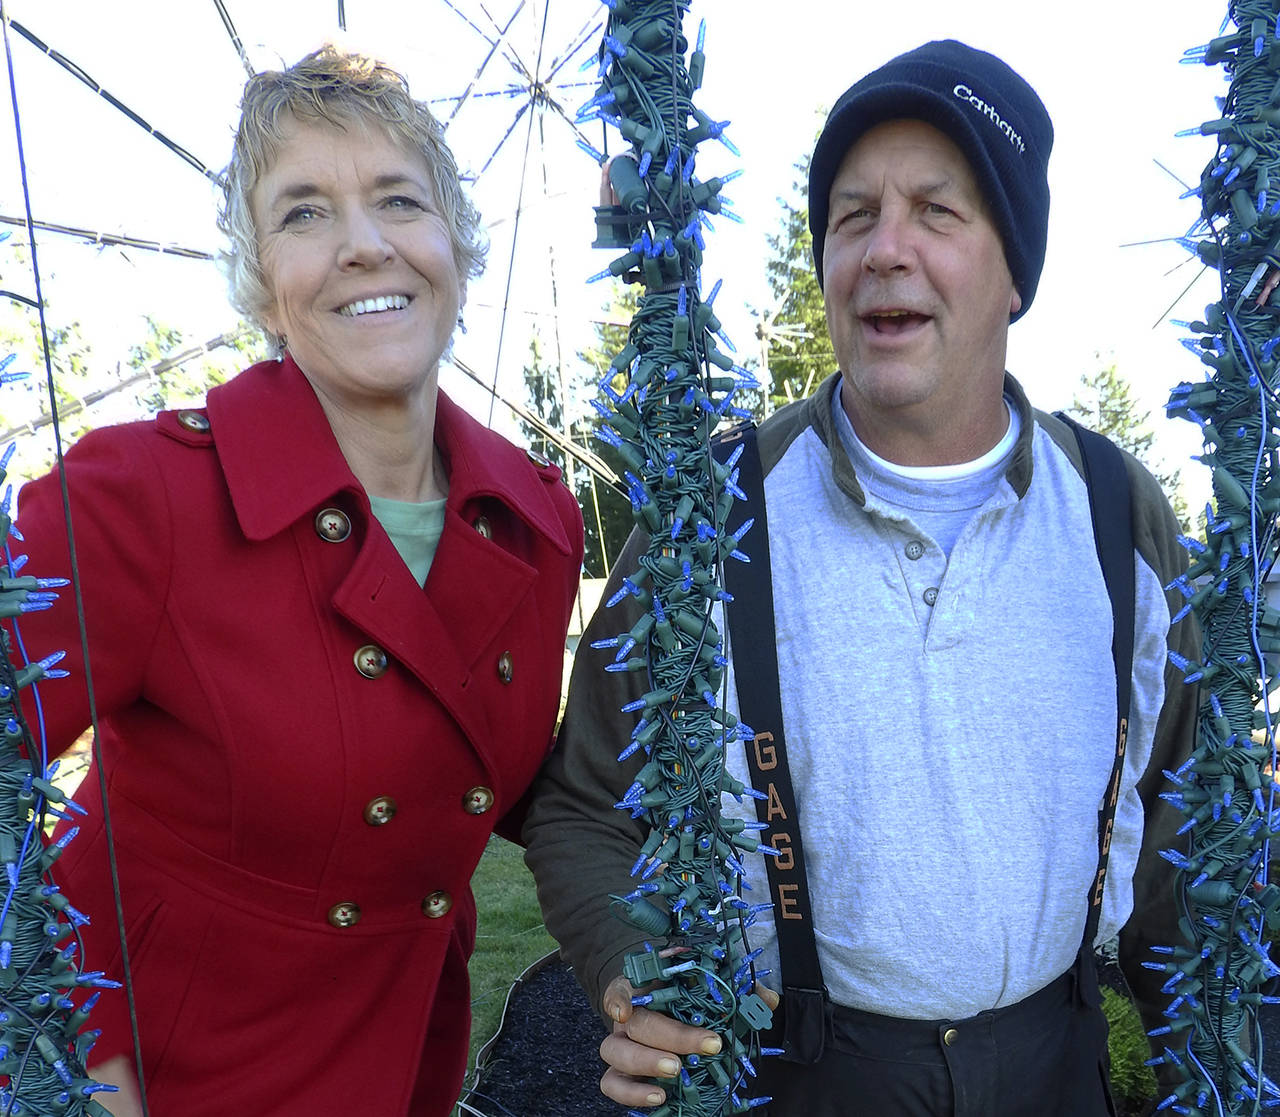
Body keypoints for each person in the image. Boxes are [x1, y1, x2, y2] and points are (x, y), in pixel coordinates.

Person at [523, 38, 1197, 1116]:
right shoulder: (711, 512)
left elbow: (1180, 830)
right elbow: (584, 804)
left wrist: (1205, 1066)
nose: (885, 248)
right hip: (791, 1076)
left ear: (1013, 271)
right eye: (851, 216)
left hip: (1054, 1068)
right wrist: (627, 970)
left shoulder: (1120, 516)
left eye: (937, 210)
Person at [7, 45, 583, 1116]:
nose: (364, 245)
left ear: (455, 244)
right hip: (173, 1081)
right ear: (262, 284)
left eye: (399, 201)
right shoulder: (138, 500)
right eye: (305, 213)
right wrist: (69, 1066)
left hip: (401, 1068)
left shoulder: (536, 521)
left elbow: (508, 777)